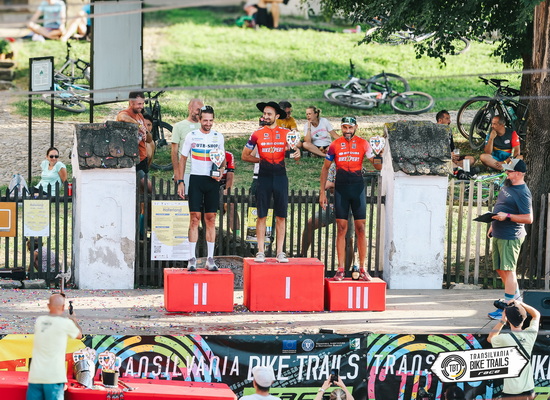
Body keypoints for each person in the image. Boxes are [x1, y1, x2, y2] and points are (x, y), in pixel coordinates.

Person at [319, 116, 382, 281]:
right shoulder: (335, 145)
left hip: (357, 188)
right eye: (345, 127)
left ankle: (362, 268)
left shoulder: (363, 143)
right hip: (341, 189)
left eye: (350, 127)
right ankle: (340, 269)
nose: (347, 131)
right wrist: (322, 193)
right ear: (341, 127)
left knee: (361, 229)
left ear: (356, 127)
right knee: (341, 229)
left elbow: (377, 165)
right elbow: (325, 168)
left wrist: (379, 154)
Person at [242, 101, 300, 263]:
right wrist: (261, 160)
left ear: (277, 116)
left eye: (269, 114)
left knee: (281, 215)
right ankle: (260, 251)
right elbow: (245, 155)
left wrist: (297, 153)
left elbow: (295, 153)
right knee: (262, 215)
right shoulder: (257, 133)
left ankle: (280, 252)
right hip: (263, 177)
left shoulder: (286, 133)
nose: (266, 116)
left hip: (280, 177)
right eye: (264, 114)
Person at [177, 105, 225, 271]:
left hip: (212, 181)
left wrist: (221, 171)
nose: (208, 123)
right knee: (194, 218)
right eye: (205, 120)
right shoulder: (191, 136)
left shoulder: (218, 137)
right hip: (196, 179)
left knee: (210, 219)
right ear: (199, 120)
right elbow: (182, 159)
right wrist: (181, 181)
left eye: (211, 120)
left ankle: (210, 259)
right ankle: (192, 258)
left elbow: (222, 160)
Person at [487, 159, 533, 319]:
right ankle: (517, 302)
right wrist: (493, 225)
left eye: (509, 171)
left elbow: (528, 218)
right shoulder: (507, 185)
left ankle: (507, 309)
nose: (506, 172)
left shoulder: (523, 192)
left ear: (518, 173)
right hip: (499, 232)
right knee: (501, 269)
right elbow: (502, 206)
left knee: (509, 270)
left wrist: (506, 216)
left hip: (510, 236)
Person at [26, 293, 82, 400]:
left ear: (48, 306)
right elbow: (79, 335)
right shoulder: (66, 323)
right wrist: (73, 319)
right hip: (54, 376)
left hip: (36, 375)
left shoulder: (40, 321)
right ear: (63, 307)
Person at [488, 300, 540, 400]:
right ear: (524, 318)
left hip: (511, 392)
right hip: (528, 390)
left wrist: (502, 321)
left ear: (508, 320)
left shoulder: (504, 339)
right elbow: (536, 315)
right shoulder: (530, 334)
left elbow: (491, 337)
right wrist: (520, 303)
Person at [301, 163, 336, 257]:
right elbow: (327, 185)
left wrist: (334, 185)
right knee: (310, 224)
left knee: (349, 238)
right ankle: (302, 255)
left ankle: (349, 264)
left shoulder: (356, 166)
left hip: (348, 207)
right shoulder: (333, 166)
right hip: (330, 207)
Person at [116, 91, 153, 178]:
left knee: (144, 185)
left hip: (143, 158)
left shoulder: (140, 115)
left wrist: (145, 132)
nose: (141, 107)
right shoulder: (125, 113)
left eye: (142, 104)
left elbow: (149, 140)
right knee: (147, 184)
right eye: (139, 104)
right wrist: (138, 125)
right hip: (132, 158)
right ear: (131, 102)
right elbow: (122, 117)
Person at [172, 99, 204, 196]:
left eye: (201, 110)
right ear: (190, 108)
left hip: (201, 170)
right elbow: (174, 151)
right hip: (186, 170)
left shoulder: (204, 125)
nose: (199, 113)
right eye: (198, 110)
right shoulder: (179, 126)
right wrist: (176, 171)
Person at [220, 151, 240, 233]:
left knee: (231, 205)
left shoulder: (228, 155)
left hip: (223, 186)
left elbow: (230, 175)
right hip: (209, 186)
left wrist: (227, 190)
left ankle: (237, 234)